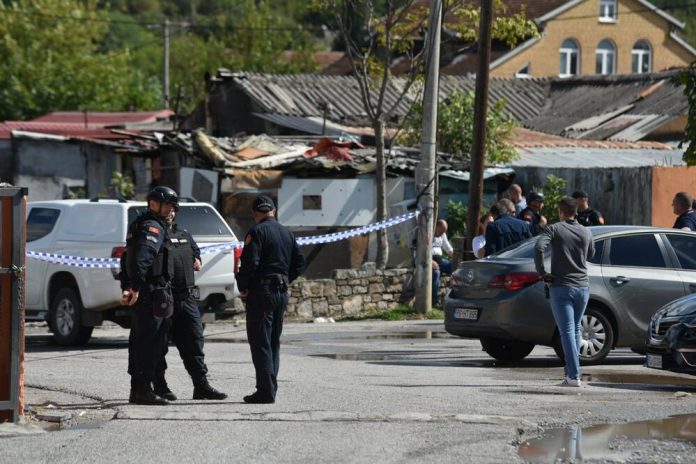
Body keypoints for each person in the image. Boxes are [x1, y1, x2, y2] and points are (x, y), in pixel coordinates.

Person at [236, 195, 305, 404]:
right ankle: (270, 387)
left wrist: (243, 286)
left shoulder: (256, 232)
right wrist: (284, 279)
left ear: (255, 214)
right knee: (273, 341)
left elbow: (250, 264)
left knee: (260, 342)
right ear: (273, 211)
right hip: (280, 292)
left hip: (262, 293)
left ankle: (265, 391)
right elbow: (299, 264)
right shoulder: (287, 232)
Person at [153, 210, 227, 401]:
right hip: (163, 298)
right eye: (166, 207)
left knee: (194, 341)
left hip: (186, 297)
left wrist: (197, 259)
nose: (169, 212)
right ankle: (159, 386)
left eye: (172, 209)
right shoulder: (153, 234)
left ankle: (201, 385)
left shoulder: (184, 234)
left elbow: (195, 251)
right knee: (158, 345)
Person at [120, 186, 178, 405]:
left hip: (148, 292)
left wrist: (129, 286)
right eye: (168, 204)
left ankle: (139, 390)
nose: (171, 209)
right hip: (151, 293)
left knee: (143, 340)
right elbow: (141, 260)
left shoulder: (141, 224)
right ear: (155, 204)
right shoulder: (152, 227)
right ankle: (142, 390)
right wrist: (134, 287)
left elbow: (126, 259)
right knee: (149, 342)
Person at [534, 197, 594, 388]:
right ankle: (571, 373)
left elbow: (538, 247)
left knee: (567, 330)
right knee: (575, 328)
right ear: (575, 212)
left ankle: (573, 375)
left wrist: (543, 273)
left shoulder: (554, 229)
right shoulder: (586, 231)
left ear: (561, 212)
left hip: (561, 286)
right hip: (583, 287)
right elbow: (591, 254)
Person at [431, 219, 454, 305]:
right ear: (436, 227)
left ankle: (453, 296)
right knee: (436, 273)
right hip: (429, 261)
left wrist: (457, 257)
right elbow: (421, 251)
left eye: (444, 232)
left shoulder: (443, 235)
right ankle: (434, 300)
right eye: (441, 231)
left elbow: (448, 249)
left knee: (455, 267)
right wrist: (431, 262)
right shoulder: (428, 233)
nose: (442, 233)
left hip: (440, 260)